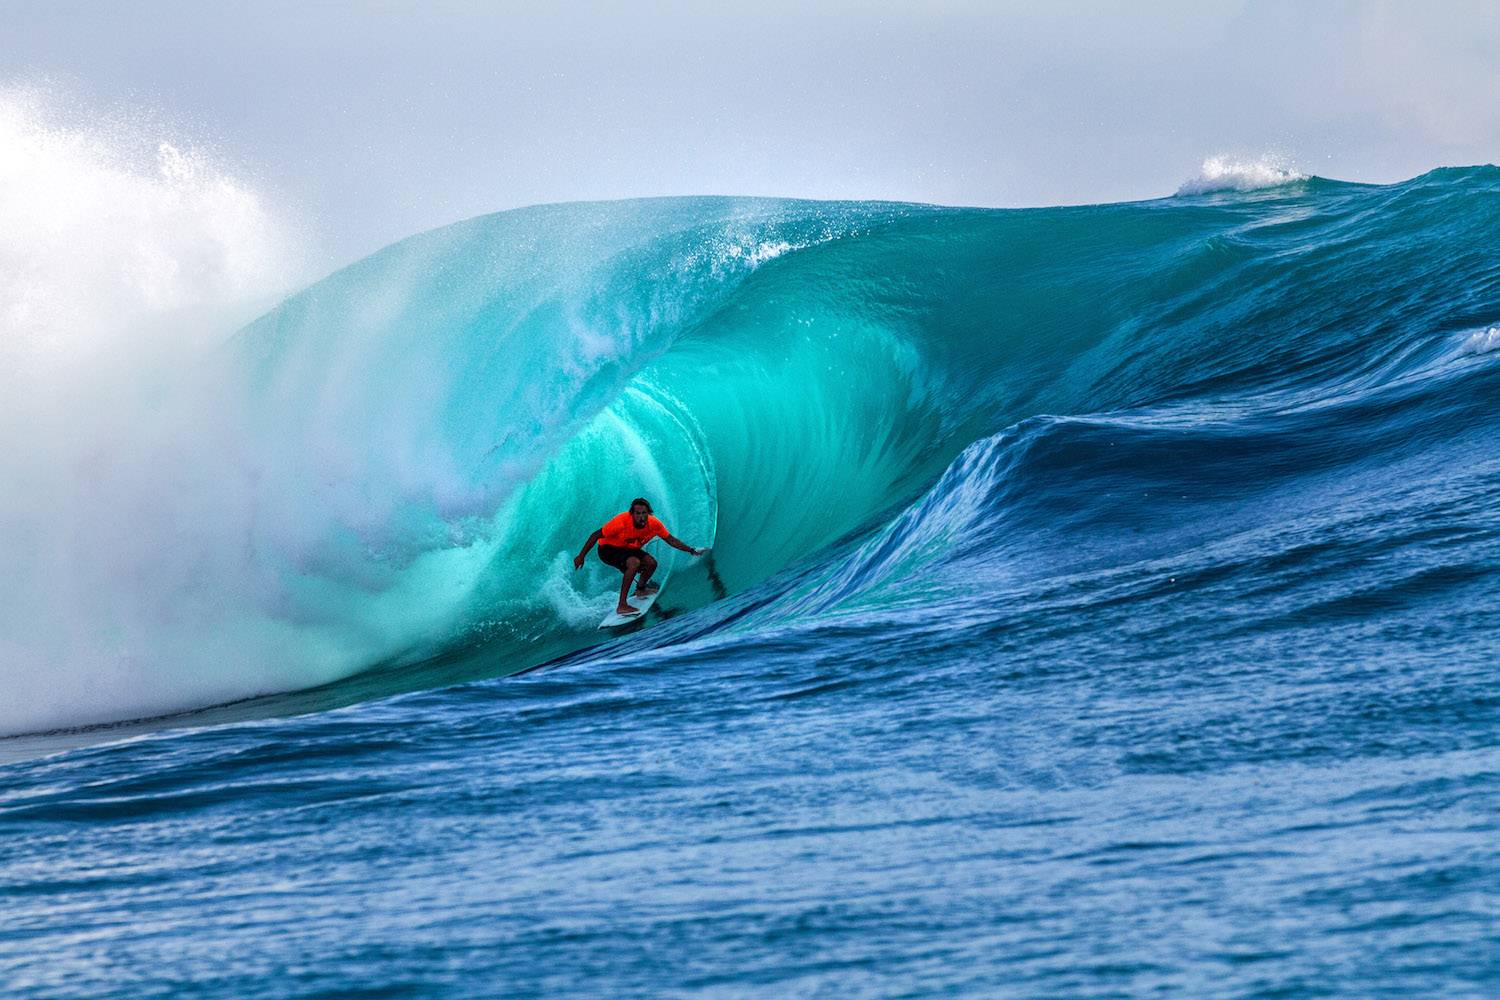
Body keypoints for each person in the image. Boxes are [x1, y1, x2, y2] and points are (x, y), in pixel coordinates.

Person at [573, 498, 707, 616]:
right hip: (608, 549)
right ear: (632, 514)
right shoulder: (621, 521)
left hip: (629, 549)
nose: (641, 517)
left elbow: (671, 540)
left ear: (648, 514)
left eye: (644, 513)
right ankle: (622, 605)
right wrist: (581, 556)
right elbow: (595, 535)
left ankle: (641, 590)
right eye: (638, 513)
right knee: (634, 563)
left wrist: (691, 550)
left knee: (651, 563)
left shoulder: (654, 525)